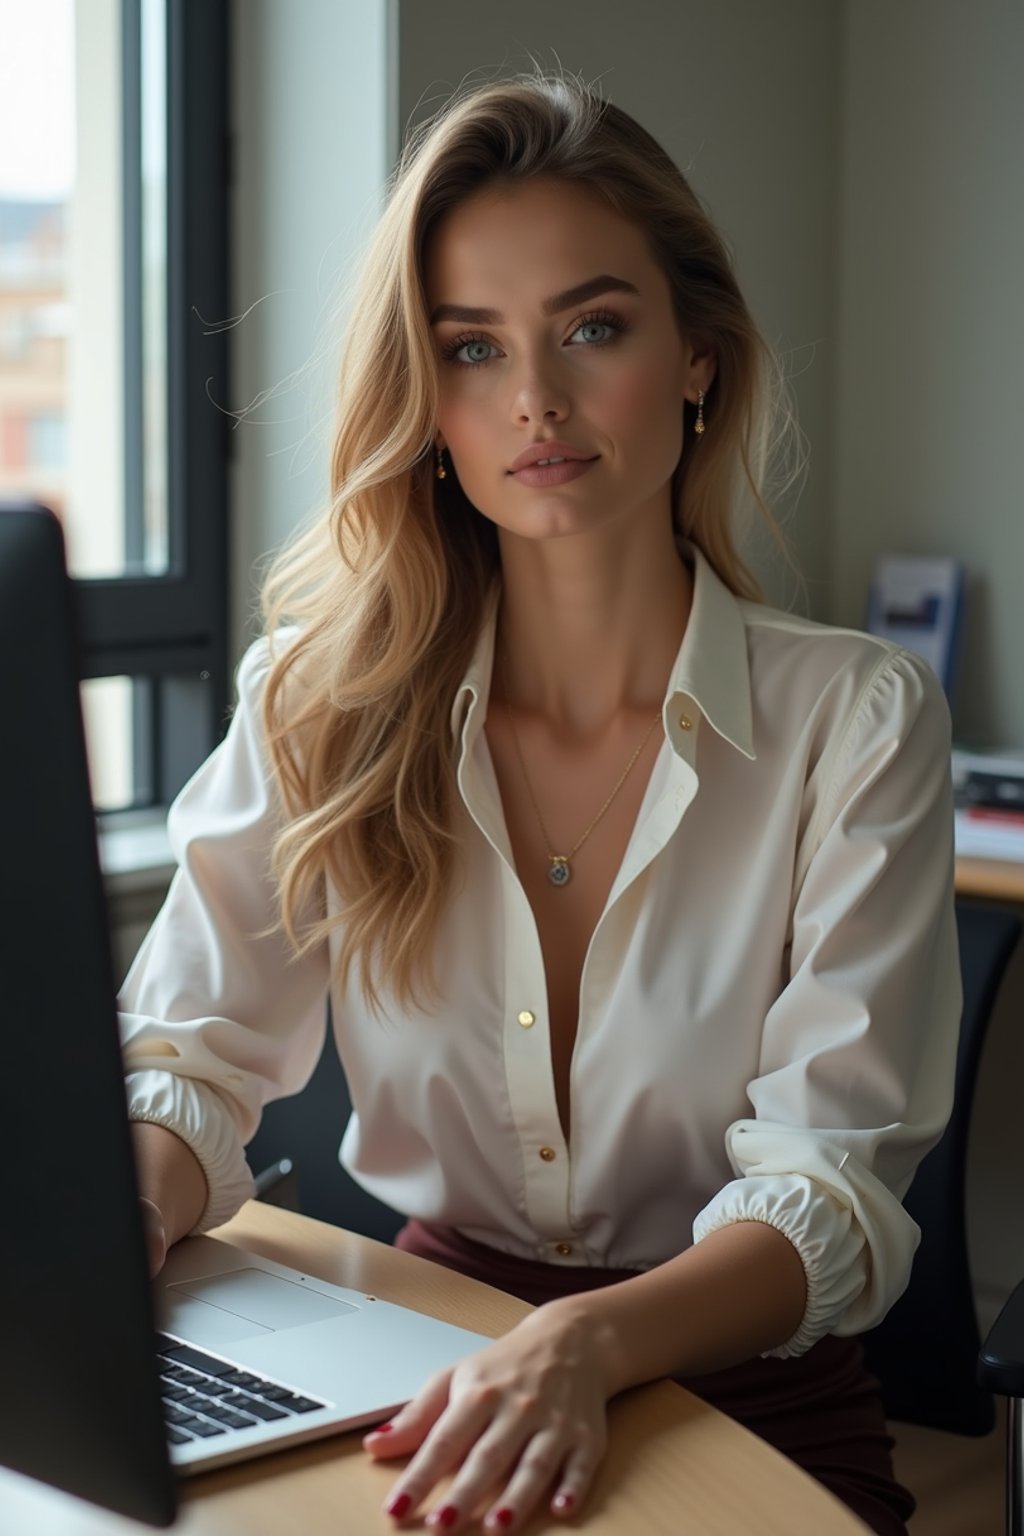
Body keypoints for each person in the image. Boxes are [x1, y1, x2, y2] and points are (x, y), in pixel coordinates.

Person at [120, 72, 960, 1536]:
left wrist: (587, 1341)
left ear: (698, 355)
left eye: (593, 327)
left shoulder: (857, 722)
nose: (536, 402)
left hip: (746, 1396)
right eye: (470, 348)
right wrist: (116, 1215)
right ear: (425, 398)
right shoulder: (322, 703)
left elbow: (832, 1190)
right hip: (423, 1359)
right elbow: (191, 1059)